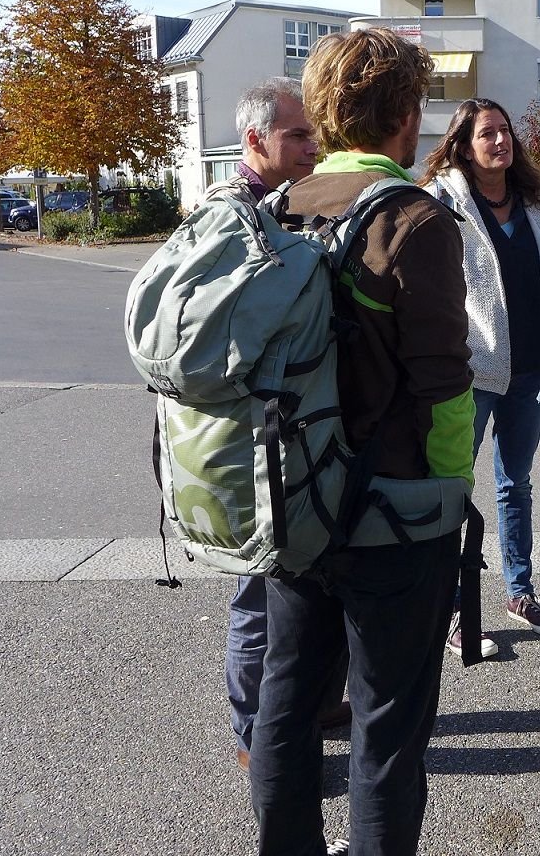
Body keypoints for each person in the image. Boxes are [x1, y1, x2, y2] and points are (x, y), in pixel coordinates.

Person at [250, 29, 474, 856]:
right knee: (387, 726)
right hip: (391, 512)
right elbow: (444, 387)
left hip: (290, 500)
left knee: (287, 700)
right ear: (406, 113)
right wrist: (450, 500)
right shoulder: (414, 221)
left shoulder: (278, 208)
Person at [220, 78, 351, 773]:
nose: (312, 145)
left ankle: (321, 702)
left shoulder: (284, 208)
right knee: (257, 593)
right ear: (254, 141)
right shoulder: (231, 220)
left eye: (312, 134)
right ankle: (253, 739)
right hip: (254, 437)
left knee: (309, 576)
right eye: (297, 135)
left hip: (295, 429)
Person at [420, 98, 540, 657]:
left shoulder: (533, 204)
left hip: (533, 367)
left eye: (505, 131)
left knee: (515, 484)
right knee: (455, 488)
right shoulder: (442, 203)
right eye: (487, 133)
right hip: (473, 371)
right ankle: (458, 607)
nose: (500, 141)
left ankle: (520, 592)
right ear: (464, 144)